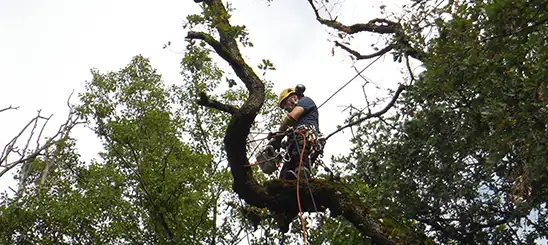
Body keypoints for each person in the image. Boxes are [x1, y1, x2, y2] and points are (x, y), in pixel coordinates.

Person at [267, 85, 322, 180]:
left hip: (305, 135)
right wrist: (280, 142)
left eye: (285, 103)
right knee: (284, 175)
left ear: (294, 97)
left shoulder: (305, 101)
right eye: (284, 107)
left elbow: (291, 117)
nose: (286, 108)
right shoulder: (295, 124)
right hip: (295, 144)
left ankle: (303, 171)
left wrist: (278, 136)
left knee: (299, 151)